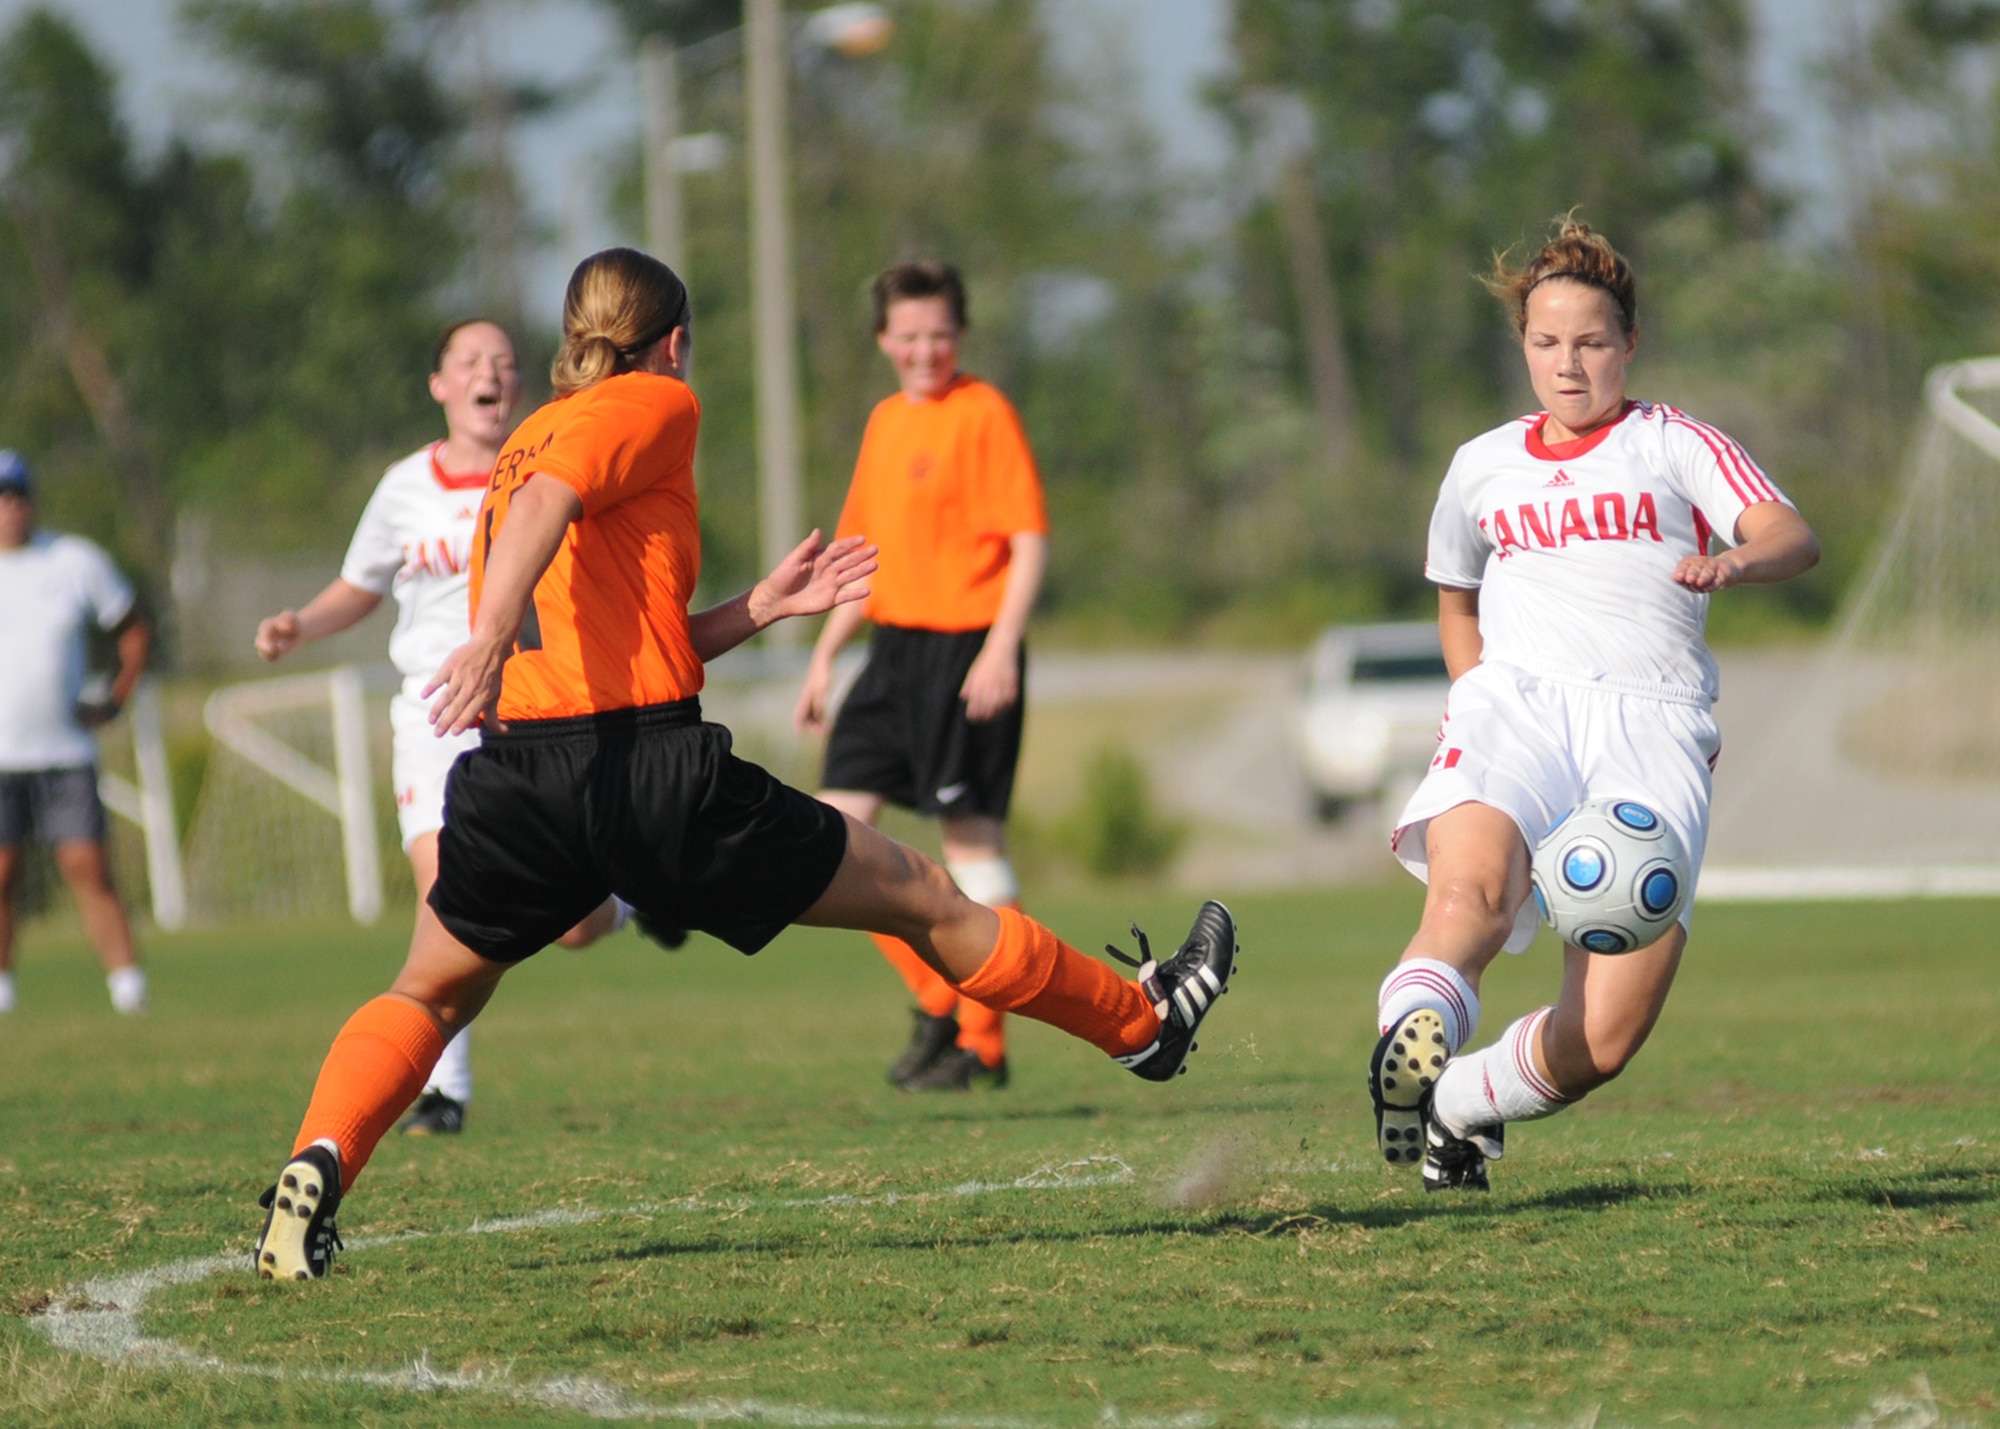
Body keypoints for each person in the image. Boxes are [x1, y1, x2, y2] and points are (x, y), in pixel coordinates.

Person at [252, 248, 1237, 1282]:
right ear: (672, 339)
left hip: (521, 777)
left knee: (429, 991)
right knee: (924, 894)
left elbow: (612, 611)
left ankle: (319, 1160)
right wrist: (491, 632)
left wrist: (756, 610)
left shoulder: (529, 434)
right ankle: (1144, 1023)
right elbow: (549, 511)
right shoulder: (654, 402)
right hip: (648, 772)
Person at [1367, 218, 1820, 1191]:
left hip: (1651, 727)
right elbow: (1455, 596)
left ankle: (1454, 1104)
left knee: (1604, 1036)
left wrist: (1738, 556)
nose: (1565, 365)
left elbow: (1790, 532)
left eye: (1588, 342)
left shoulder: (1675, 445)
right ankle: (1405, 1051)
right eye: (1543, 343)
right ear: (1520, 345)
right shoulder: (1480, 465)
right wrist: (1471, 704)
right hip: (1516, 704)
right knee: (1469, 897)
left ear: (1628, 344)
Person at [254, 320, 625, 1137]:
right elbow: (360, 586)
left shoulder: (547, 462)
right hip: (434, 713)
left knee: (575, 927)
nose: (489, 374)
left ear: (521, 385)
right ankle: (443, 1088)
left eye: (503, 362)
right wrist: (301, 625)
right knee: (443, 889)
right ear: (439, 385)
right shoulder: (403, 487)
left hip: (532, 708)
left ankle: (627, 898)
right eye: (470, 362)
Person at [794, 261, 1045, 1092]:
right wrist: (828, 652)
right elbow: (865, 553)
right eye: (909, 335)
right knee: (828, 841)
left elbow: (1027, 541)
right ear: (884, 341)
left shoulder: (985, 412)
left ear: (959, 335)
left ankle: (984, 1042)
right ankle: (940, 996)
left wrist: (1002, 647)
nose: (925, 349)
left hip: (967, 649)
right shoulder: (883, 421)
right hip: (891, 653)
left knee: (971, 844)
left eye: (940, 333)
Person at [0, 450, 152, 1016]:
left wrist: (116, 696)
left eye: (17, 495)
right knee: (2, 874)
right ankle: (3, 992)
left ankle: (128, 987)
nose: (9, 507)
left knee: (88, 867)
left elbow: (132, 628)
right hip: (1, 753)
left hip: (63, 749)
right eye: (0, 497)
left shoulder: (72, 559)